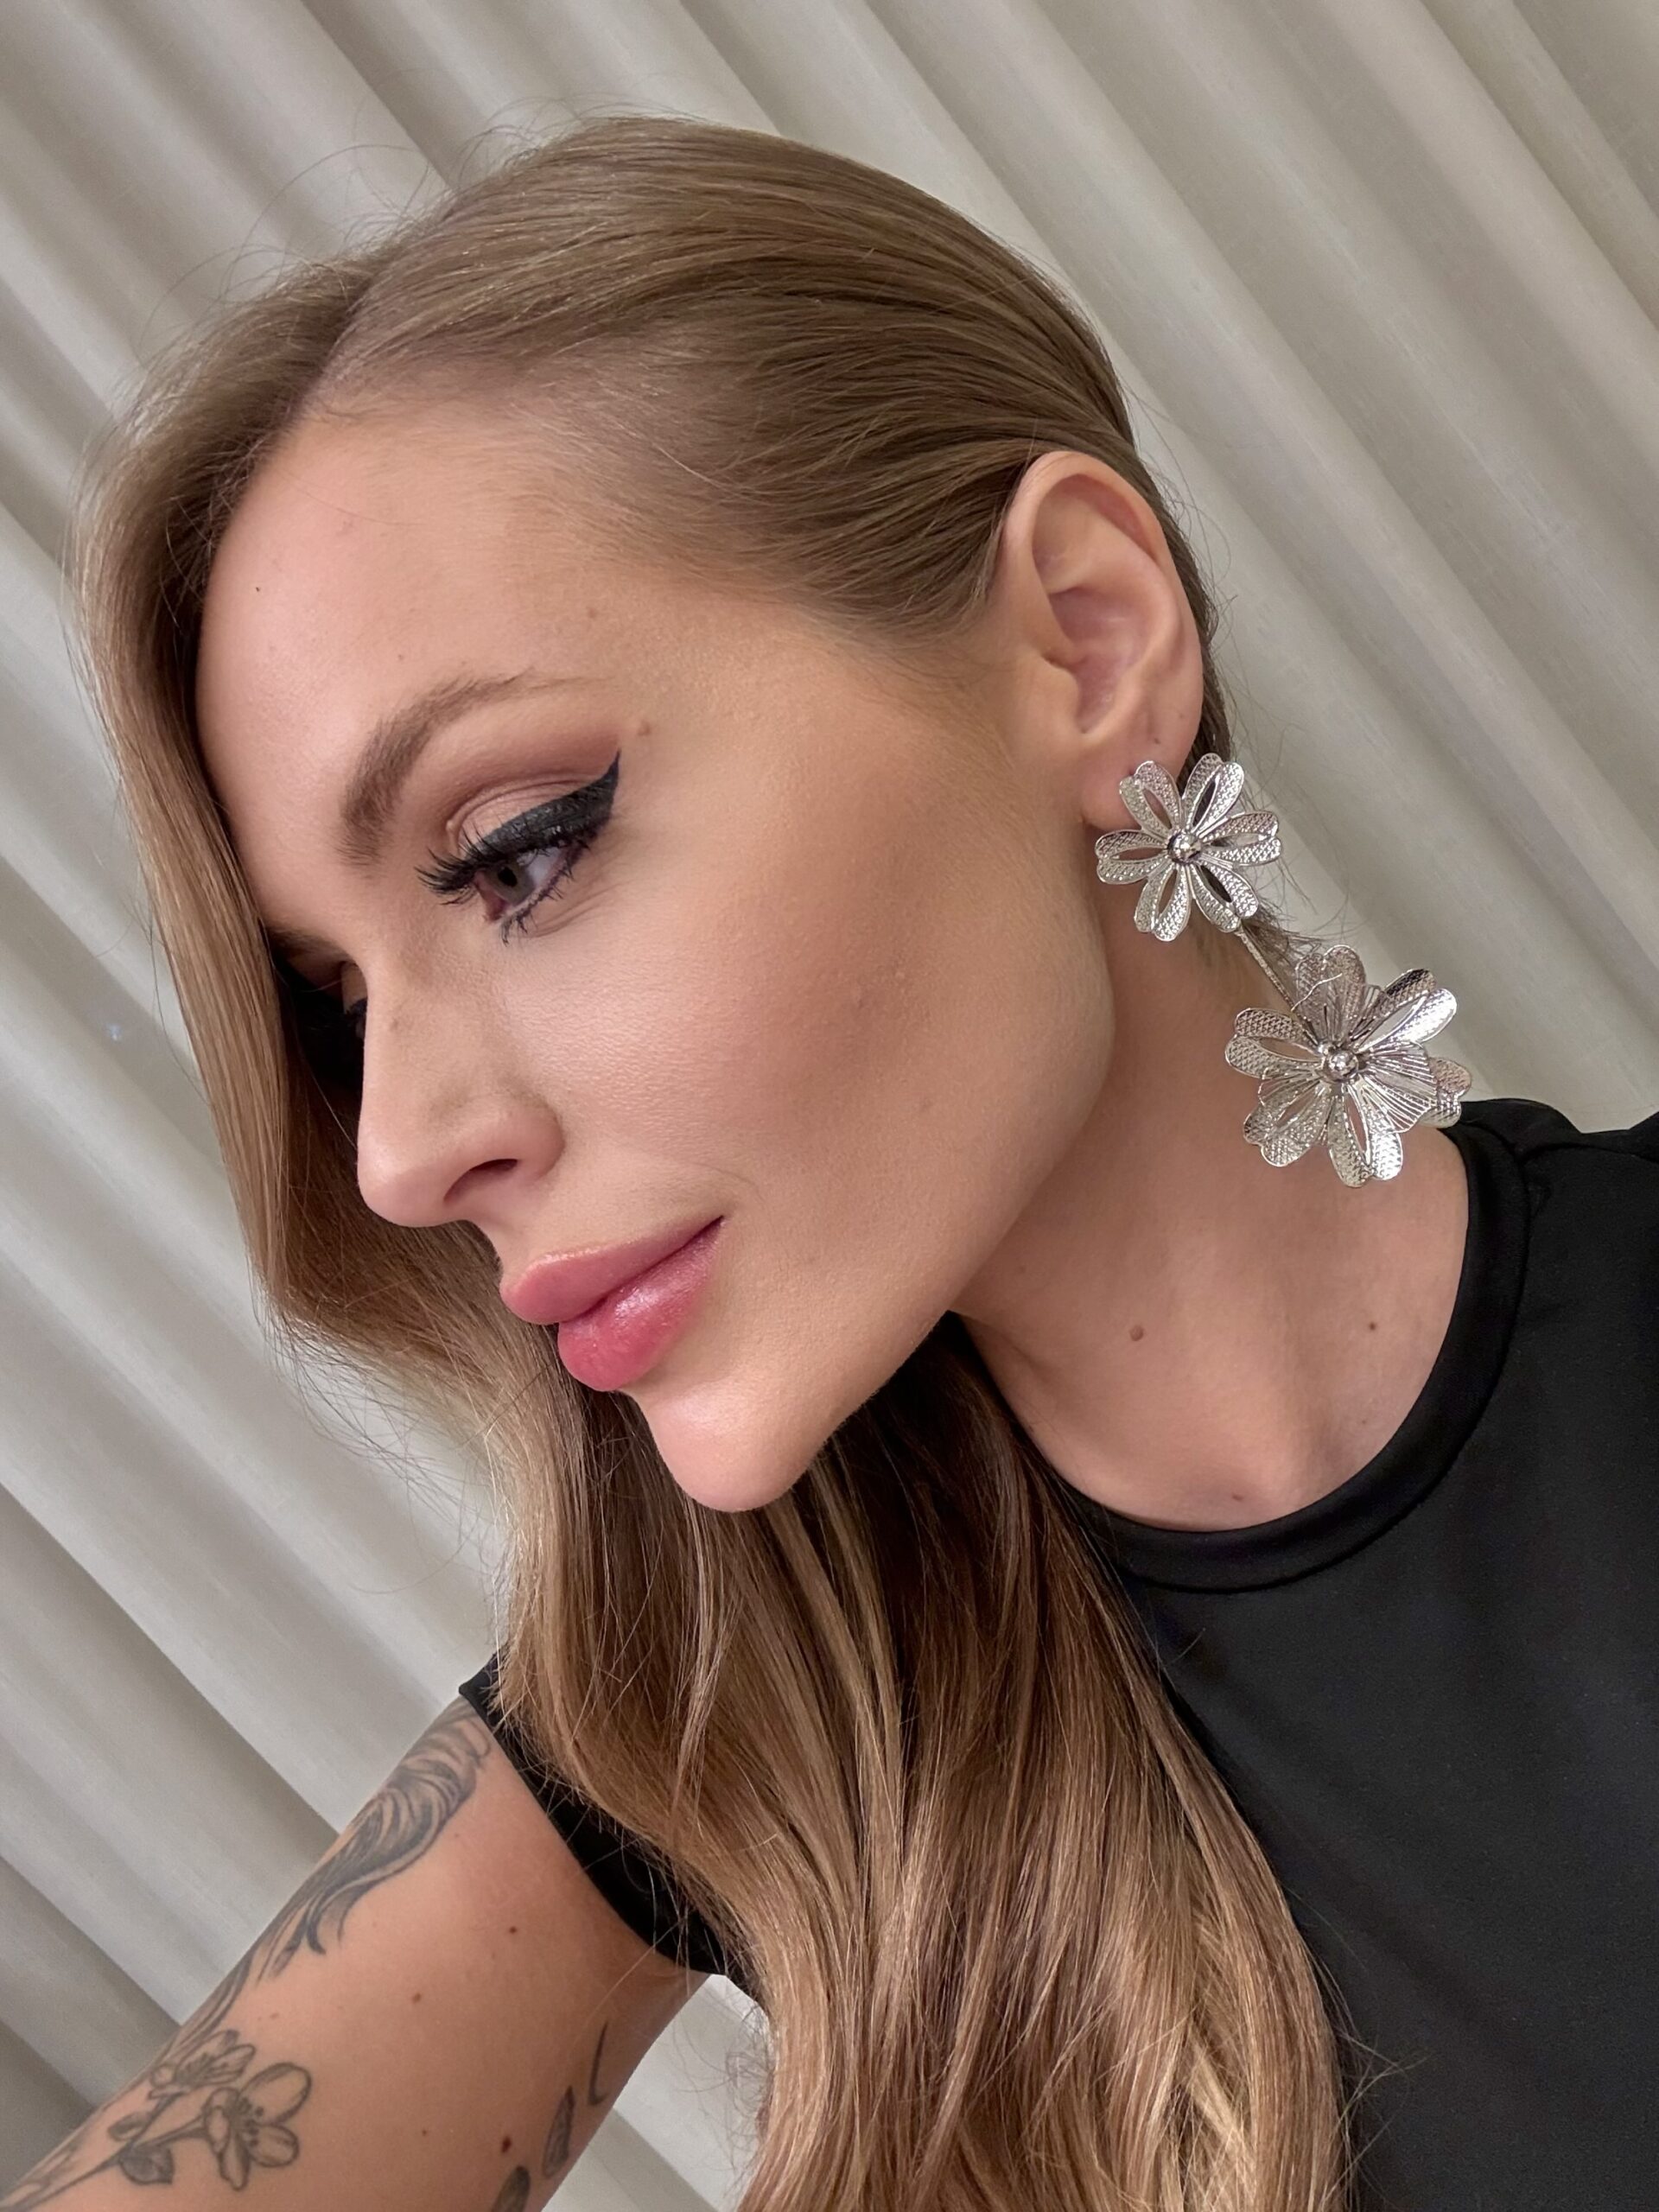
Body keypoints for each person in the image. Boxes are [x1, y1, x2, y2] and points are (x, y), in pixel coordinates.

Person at [12, 110, 1655, 2212]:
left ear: (1084, 641)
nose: (399, 1151)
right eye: (340, 999)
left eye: (518, 851)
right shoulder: (737, 1708)